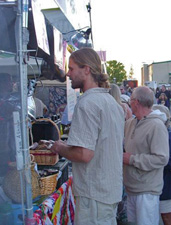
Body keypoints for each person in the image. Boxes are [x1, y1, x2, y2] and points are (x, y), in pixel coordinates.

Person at [50, 48, 124, 225]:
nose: (68, 73)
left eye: (72, 68)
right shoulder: (112, 103)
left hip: (94, 195)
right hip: (107, 191)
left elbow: (84, 154)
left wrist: (60, 147)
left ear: (87, 70)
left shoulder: (88, 103)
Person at [123, 86, 169, 225]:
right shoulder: (130, 122)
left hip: (146, 190)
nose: (129, 103)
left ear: (136, 102)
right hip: (131, 187)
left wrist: (131, 159)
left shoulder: (156, 125)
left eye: (130, 100)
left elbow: (162, 158)